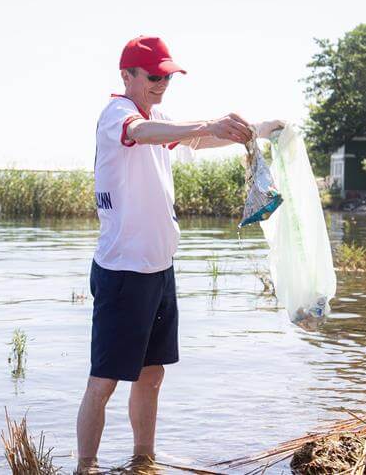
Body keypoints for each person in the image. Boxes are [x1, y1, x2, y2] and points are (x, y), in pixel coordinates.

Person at [76, 35, 283, 473]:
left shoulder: (161, 115)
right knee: (104, 380)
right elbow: (142, 134)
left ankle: (143, 461)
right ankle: (85, 466)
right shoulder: (118, 114)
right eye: (154, 76)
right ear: (127, 76)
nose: (162, 83)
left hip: (159, 272)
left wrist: (256, 130)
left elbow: (192, 141)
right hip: (122, 273)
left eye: (167, 76)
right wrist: (207, 124)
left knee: (152, 375)